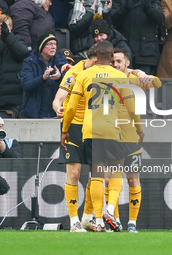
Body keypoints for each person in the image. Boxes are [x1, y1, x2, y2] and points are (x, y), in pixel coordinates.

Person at [61, 41, 144, 232]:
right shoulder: (120, 76)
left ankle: (98, 220)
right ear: (112, 56)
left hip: (90, 130)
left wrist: (65, 129)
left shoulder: (84, 75)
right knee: (116, 171)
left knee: (96, 175)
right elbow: (132, 107)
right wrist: (139, 129)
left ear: (96, 56)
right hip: (113, 130)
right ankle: (110, 209)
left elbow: (71, 107)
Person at [112, 47, 161, 232]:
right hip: (111, 137)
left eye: (118, 61)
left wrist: (145, 75)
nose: (115, 65)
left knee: (133, 180)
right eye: (113, 62)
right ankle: (114, 221)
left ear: (127, 63)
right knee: (110, 181)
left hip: (132, 138)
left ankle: (132, 223)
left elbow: (157, 84)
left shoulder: (134, 80)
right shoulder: (106, 80)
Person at [52, 44, 98, 232]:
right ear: (95, 60)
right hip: (74, 127)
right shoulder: (74, 73)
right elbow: (57, 100)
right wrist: (58, 109)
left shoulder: (103, 73)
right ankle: (74, 221)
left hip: (95, 127)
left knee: (96, 175)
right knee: (74, 173)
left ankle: (87, 218)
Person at [111, 0, 165, 75]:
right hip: (124, 52)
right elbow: (113, 20)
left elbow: (160, 18)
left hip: (146, 53)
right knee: (123, 85)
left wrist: (147, 7)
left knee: (145, 84)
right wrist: (126, 8)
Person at [21, 33, 67, 118]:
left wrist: (59, 77)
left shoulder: (62, 59)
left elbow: (71, 83)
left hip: (56, 112)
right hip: (35, 113)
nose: (53, 47)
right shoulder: (29, 62)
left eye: (55, 44)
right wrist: (42, 78)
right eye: (50, 44)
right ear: (41, 47)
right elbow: (26, 85)